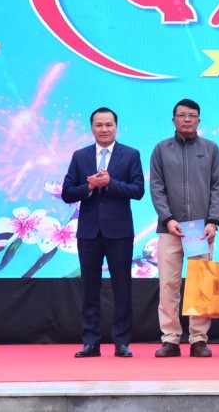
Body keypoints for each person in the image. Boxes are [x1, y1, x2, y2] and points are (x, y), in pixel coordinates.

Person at [60, 107, 145, 358]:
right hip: (89, 233)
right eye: (99, 125)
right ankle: (91, 342)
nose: (104, 129)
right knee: (89, 288)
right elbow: (67, 193)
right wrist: (88, 187)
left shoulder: (130, 154)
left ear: (116, 127)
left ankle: (122, 342)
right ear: (92, 128)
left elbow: (138, 190)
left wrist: (110, 184)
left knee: (122, 288)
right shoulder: (80, 156)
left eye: (109, 125)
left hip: (119, 233)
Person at [149, 98, 219, 358]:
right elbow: (156, 187)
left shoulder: (210, 149)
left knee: (201, 284)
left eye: (192, 115)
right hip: (169, 230)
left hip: (201, 230)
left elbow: (217, 186)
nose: (187, 119)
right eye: (182, 115)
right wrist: (168, 218)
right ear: (173, 120)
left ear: (199, 121)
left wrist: (213, 220)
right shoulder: (161, 149)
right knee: (168, 286)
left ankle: (198, 339)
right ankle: (170, 339)